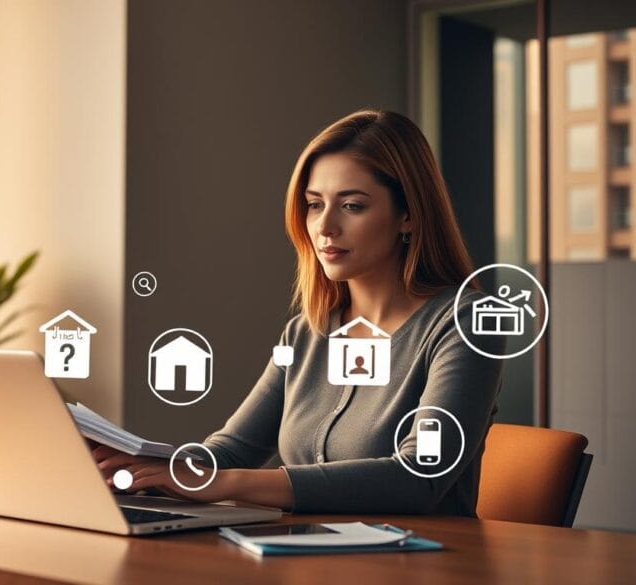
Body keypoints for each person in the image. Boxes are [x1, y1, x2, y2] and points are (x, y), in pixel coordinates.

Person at [93, 110, 505, 515]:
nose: (325, 227)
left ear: (409, 216)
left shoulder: (465, 323)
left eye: (352, 206)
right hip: (310, 558)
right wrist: (146, 467)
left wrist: (223, 483)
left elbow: (420, 477)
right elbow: (232, 450)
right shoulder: (306, 333)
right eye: (313, 205)